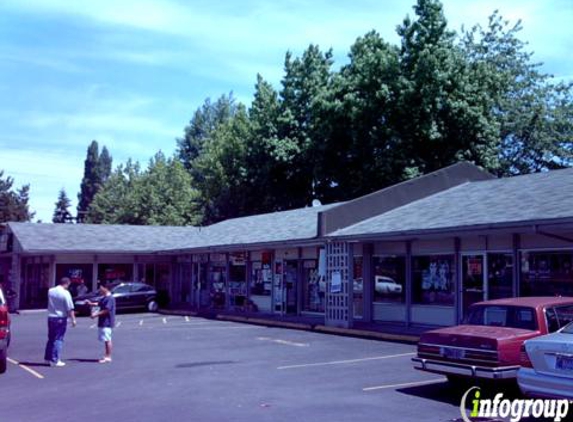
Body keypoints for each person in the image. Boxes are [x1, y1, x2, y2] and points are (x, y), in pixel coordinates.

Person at [44, 277, 76, 367]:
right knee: (58, 339)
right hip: (60, 318)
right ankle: (56, 359)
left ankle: (47, 358)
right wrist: (73, 319)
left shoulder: (50, 291)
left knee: (51, 338)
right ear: (67, 283)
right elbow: (70, 308)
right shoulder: (66, 293)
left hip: (51, 316)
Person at [86, 281, 116, 363]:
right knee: (106, 339)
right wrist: (91, 303)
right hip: (103, 321)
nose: (100, 289)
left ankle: (108, 356)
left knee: (107, 339)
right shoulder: (104, 297)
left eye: (101, 287)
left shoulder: (110, 298)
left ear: (105, 288)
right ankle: (107, 355)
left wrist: (95, 315)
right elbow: (99, 303)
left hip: (107, 322)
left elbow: (107, 310)